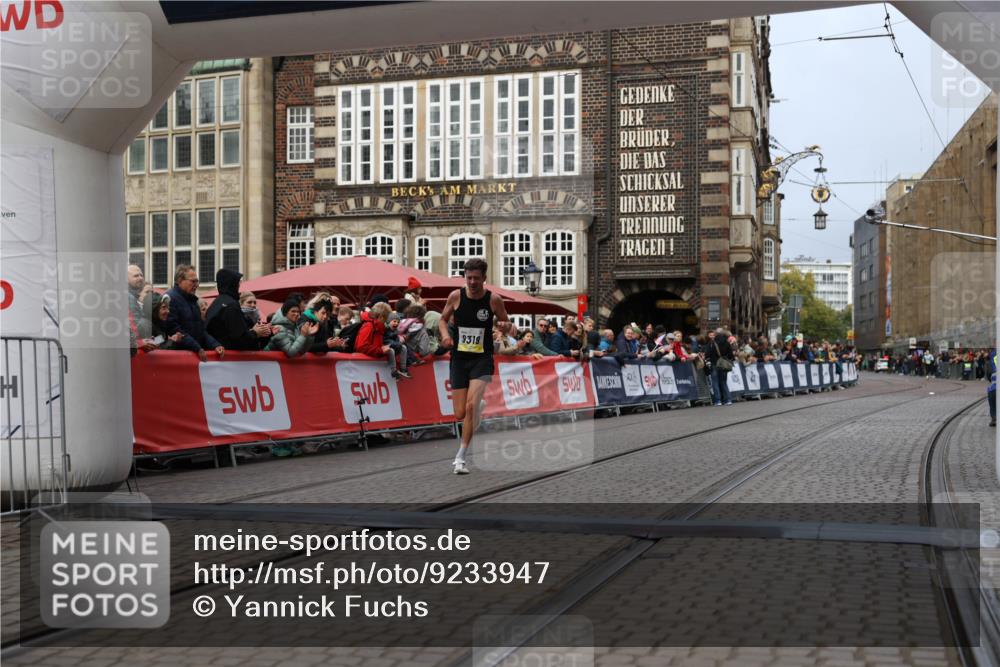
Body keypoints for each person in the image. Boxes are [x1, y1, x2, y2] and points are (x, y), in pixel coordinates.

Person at [438, 257, 512, 475]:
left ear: (484, 279)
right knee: (460, 413)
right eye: (468, 278)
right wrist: (444, 336)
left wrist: (507, 327)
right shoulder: (455, 296)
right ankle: (476, 408)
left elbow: (505, 322)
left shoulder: (493, 300)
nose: (471, 282)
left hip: (482, 358)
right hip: (459, 358)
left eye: (476, 279)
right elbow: (443, 320)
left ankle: (461, 457)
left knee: (470, 407)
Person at [163, 265, 225, 362]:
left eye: (197, 281)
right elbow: (174, 329)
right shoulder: (171, 299)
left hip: (193, 355)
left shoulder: (192, 300)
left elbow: (200, 330)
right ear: (180, 280)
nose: (197, 285)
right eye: (193, 281)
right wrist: (197, 347)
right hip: (178, 359)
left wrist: (215, 345)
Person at [205, 268, 273, 351]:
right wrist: (255, 332)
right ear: (232, 284)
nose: (239, 285)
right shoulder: (231, 305)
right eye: (237, 282)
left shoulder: (216, 303)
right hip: (229, 358)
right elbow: (240, 339)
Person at [355, 302, 410, 379]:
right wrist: (380, 350)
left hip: (373, 367)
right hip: (367, 369)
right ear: (381, 317)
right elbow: (361, 347)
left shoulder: (377, 326)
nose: (386, 321)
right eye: (386, 318)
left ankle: (400, 371)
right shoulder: (369, 326)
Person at [705, 328, 735, 406]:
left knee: (715, 382)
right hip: (723, 364)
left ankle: (718, 401)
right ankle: (728, 399)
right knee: (723, 382)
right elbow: (731, 355)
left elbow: (707, 354)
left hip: (714, 364)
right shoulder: (727, 342)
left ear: (716, 334)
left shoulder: (712, 343)